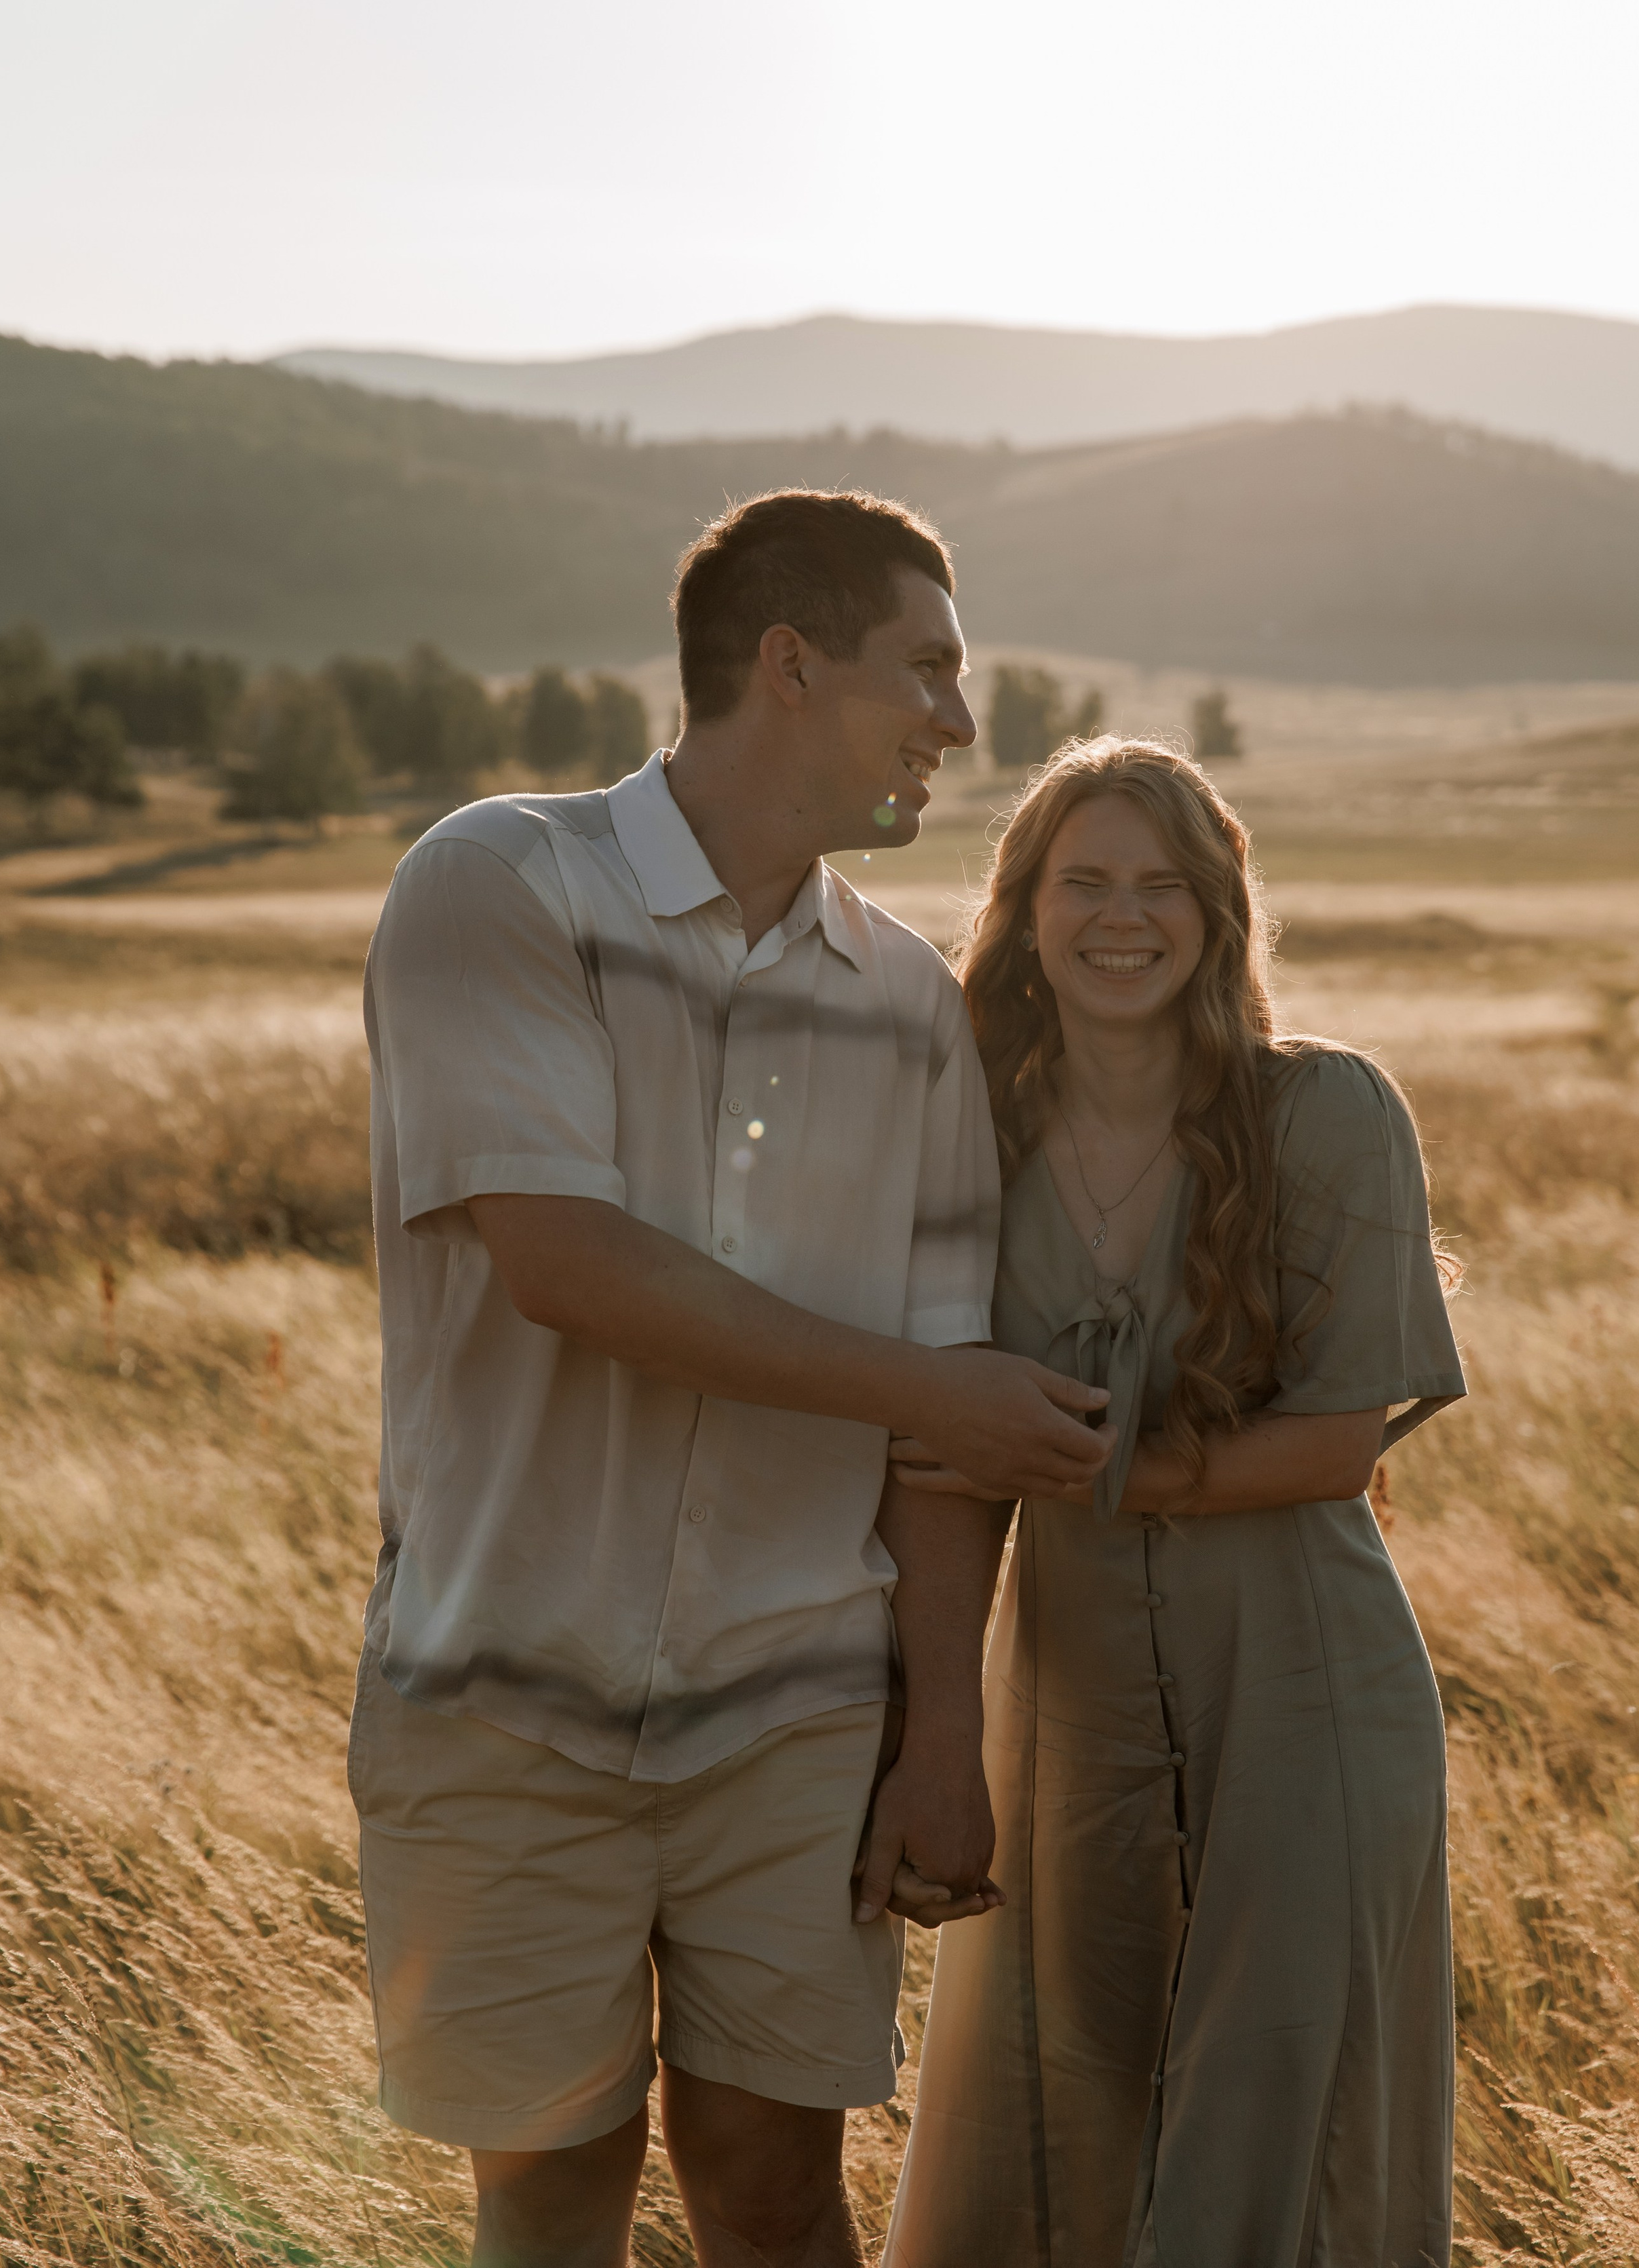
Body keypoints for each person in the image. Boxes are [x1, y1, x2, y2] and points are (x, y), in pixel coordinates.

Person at [348, 488, 1113, 2268]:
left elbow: (944, 1411)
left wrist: (943, 1734)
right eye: (926, 669)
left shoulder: (911, 1003)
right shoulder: (497, 882)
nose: (958, 721)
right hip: (498, 1694)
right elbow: (565, 1263)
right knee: (550, 2198)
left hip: (797, 1713)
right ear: (788, 664)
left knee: (778, 2195)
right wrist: (935, 1396)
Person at [883, 735, 1467, 2268]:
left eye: (1161, 886)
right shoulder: (963, 1145)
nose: (1120, 918)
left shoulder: (1325, 1116)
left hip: (1307, 1699)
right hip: (1064, 1704)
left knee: (1275, 2127)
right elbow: (933, 1479)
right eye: (1082, 883)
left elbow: (1336, 1445)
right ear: (1022, 912)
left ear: (1218, 917)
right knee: (1056, 2118)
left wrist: (1067, 1463)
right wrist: (934, 1736)